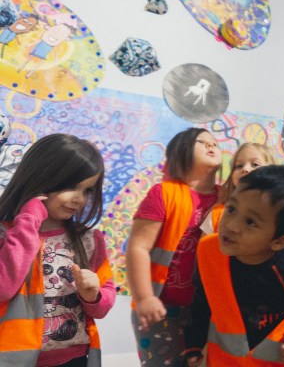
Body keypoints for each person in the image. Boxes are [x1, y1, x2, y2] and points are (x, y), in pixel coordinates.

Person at [182, 165, 284, 366]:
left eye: (250, 222)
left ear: (279, 241)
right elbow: (202, 299)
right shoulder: (208, 251)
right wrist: (194, 343)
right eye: (232, 209)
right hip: (225, 361)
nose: (231, 225)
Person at [0, 134, 116, 366]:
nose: (79, 199)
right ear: (41, 177)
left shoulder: (89, 239)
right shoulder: (5, 233)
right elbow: (3, 288)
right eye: (71, 186)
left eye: (88, 190)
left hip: (74, 358)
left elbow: (104, 302)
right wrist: (29, 220)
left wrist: (93, 296)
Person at [125, 128, 221, 366]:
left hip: (207, 309)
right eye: (202, 142)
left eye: (215, 143)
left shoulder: (227, 199)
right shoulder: (164, 193)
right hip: (161, 307)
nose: (211, 145)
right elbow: (138, 247)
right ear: (181, 152)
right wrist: (145, 298)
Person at [199, 142, 275, 235]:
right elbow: (205, 244)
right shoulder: (217, 215)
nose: (245, 169)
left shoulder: (275, 218)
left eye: (255, 164)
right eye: (239, 166)